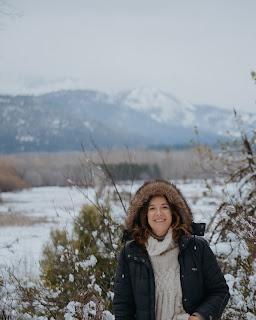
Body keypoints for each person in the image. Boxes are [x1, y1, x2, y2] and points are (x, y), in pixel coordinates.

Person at [113, 179, 230, 320]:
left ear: (174, 212)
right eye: (152, 208)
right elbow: (122, 306)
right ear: (144, 214)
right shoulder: (131, 253)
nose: (158, 213)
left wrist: (200, 316)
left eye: (164, 207)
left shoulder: (197, 248)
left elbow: (219, 291)